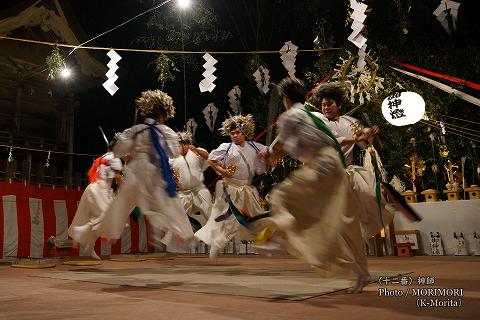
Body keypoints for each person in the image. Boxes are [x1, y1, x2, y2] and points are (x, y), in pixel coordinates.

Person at [260, 77, 370, 293]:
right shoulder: (315, 116)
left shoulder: (290, 116)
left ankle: (277, 237)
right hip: (334, 166)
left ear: (286, 99)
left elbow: (280, 148)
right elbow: (332, 141)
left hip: (321, 166)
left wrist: (270, 155)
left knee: (282, 197)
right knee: (342, 222)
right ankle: (361, 272)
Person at [89, 90, 194, 247]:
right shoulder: (166, 131)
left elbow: (118, 151)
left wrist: (132, 151)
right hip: (155, 170)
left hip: (136, 169)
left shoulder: (135, 130)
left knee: (124, 201)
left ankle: (108, 231)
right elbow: (175, 152)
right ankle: (178, 231)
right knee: (166, 201)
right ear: (162, 116)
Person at [195, 114, 268, 258]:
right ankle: (217, 245)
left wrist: (266, 152)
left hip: (247, 189)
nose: (234, 135)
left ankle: (266, 241)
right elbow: (211, 159)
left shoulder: (254, 146)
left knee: (257, 217)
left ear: (245, 132)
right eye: (232, 133)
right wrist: (222, 170)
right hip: (230, 188)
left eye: (238, 132)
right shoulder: (226, 147)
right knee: (228, 219)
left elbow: (268, 152)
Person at [68, 153, 123, 260]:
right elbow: (118, 178)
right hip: (100, 190)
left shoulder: (106, 156)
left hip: (93, 188)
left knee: (99, 220)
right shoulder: (114, 158)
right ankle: (82, 231)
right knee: (106, 217)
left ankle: (90, 246)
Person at [312, 82, 379, 166]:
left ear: (339, 105)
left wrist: (371, 131)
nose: (326, 108)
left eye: (329, 104)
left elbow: (364, 139)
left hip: (345, 170)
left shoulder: (350, 122)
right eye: (323, 105)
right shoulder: (319, 120)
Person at [168, 131, 212, 252]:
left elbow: (208, 156)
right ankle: (175, 248)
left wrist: (197, 150)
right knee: (178, 218)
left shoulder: (197, 152)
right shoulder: (172, 158)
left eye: (180, 144)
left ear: (186, 144)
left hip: (199, 189)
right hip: (183, 192)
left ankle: (216, 243)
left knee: (210, 213)